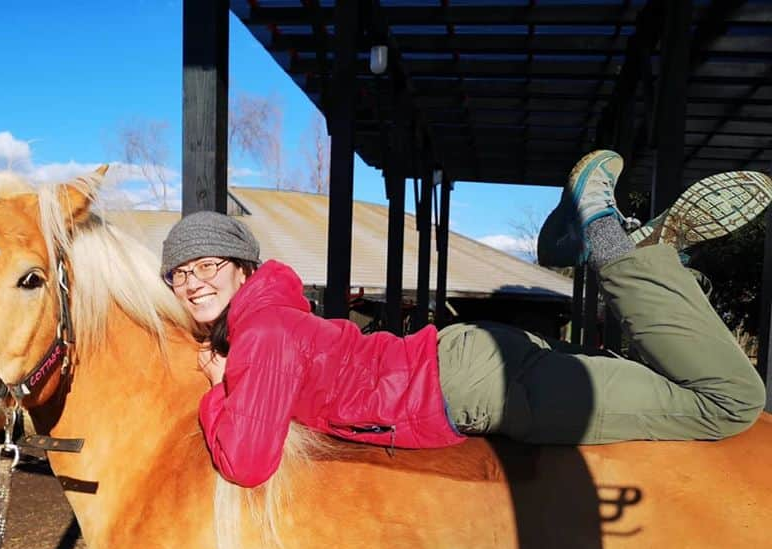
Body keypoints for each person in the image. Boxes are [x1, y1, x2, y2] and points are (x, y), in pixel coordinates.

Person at [161, 151, 769, 488]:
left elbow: (245, 463)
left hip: (473, 387)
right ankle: (648, 264)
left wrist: (218, 391)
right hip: (466, 363)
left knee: (729, 401)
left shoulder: (262, 332)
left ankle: (609, 239)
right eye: (179, 274)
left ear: (243, 268)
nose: (193, 283)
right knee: (649, 383)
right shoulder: (275, 312)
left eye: (207, 265)